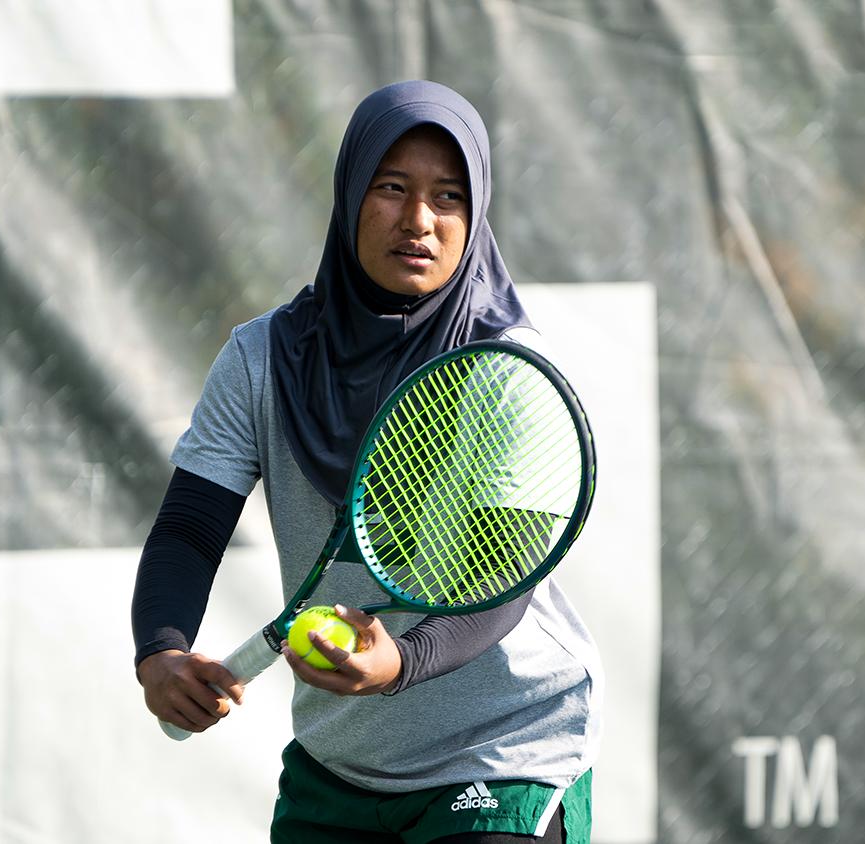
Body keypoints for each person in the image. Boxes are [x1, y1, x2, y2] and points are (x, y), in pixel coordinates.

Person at [131, 79, 602, 843]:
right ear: (351, 195)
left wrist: (401, 662)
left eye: (449, 197)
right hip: (341, 761)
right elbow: (191, 526)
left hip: (503, 745)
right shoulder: (261, 358)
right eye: (391, 187)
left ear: (476, 214)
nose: (419, 220)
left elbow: (506, 581)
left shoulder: (510, 367)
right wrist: (160, 650)